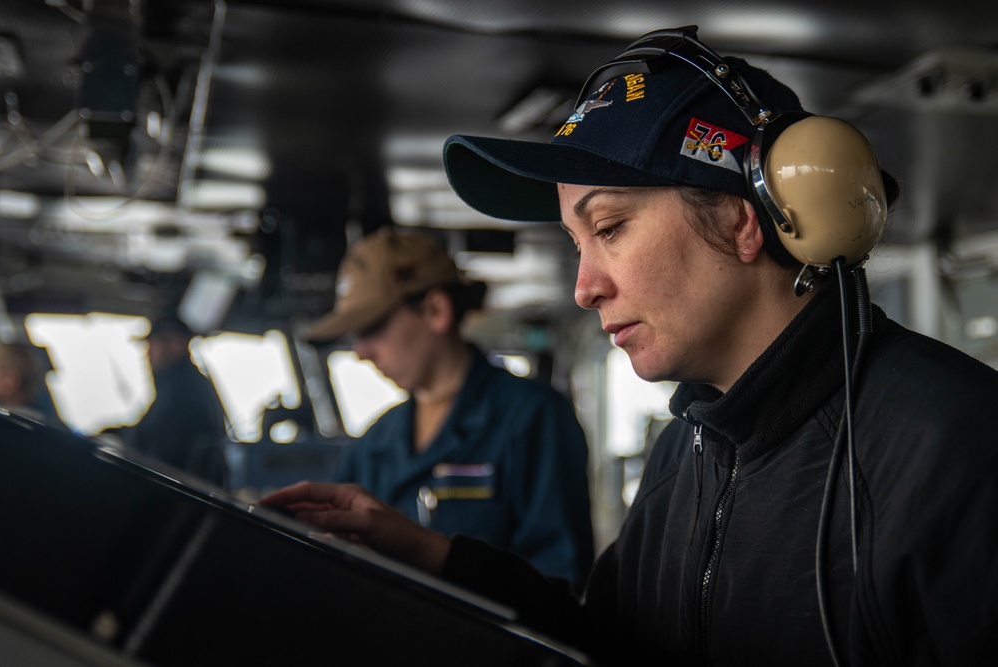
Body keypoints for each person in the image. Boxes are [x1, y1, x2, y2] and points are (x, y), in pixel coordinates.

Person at [261, 27, 998, 666]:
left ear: (744, 222)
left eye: (608, 228)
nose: (583, 287)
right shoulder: (689, 447)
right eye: (576, 244)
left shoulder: (958, 448)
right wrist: (432, 555)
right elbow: (613, 647)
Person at [303, 226, 594, 589]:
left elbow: (559, 583)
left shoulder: (533, 418)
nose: (361, 351)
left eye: (373, 327)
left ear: (436, 310)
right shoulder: (372, 444)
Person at [120, 316, 228, 487]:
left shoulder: (185, 392)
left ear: (176, 345)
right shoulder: (177, 386)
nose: (147, 354)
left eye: (152, 345)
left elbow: (163, 455)